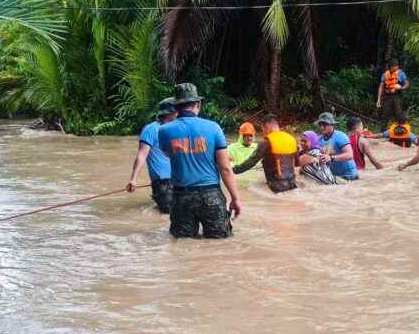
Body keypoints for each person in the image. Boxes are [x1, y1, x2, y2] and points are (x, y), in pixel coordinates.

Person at [158, 83, 242, 238]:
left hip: (181, 196)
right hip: (211, 195)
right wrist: (235, 198)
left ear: (176, 107)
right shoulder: (214, 128)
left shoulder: (163, 131)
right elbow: (225, 168)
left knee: (183, 244)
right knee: (220, 244)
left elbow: (168, 154)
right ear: (198, 104)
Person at [126, 98, 178, 213]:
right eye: (177, 111)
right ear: (171, 113)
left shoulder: (177, 128)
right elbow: (142, 155)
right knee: (168, 213)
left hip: (178, 179)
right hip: (162, 182)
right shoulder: (151, 129)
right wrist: (133, 179)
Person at [233, 114, 298, 193]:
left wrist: (233, 170)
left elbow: (251, 162)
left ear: (266, 126)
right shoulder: (292, 139)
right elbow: (297, 163)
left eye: (262, 129)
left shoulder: (266, 142)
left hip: (276, 187)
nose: (263, 132)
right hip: (292, 184)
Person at [315, 112, 358, 180]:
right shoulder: (318, 140)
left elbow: (350, 155)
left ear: (332, 125)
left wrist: (331, 158)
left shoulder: (340, 136)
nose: (321, 127)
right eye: (320, 124)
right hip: (333, 177)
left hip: (349, 176)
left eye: (324, 124)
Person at [376, 58, 409, 123]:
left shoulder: (401, 74)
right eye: (394, 67)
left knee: (399, 114)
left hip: (397, 96)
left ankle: (400, 131)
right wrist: (378, 99)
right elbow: (381, 86)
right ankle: (383, 132)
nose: (395, 69)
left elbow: (407, 84)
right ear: (391, 66)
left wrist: (400, 88)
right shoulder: (385, 74)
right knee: (385, 115)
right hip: (387, 96)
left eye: (396, 67)